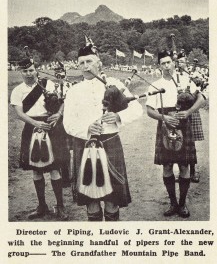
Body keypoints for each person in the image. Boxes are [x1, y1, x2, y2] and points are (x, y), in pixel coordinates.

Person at [63, 43, 143, 221]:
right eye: (81, 63)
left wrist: (118, 117)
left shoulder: (114, 84)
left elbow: (137, 110)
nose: (85, 66)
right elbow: (67, 123)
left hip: (110, 142)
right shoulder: (73, 91)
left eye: (89, 61)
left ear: (99, 64)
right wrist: (87, 129)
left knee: (112, 199)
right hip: (83, 144)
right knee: (90, 199)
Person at [146, 50, 205, 218]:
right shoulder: (155, 85)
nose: (166, 66)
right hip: (165, 126)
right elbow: (149, 110)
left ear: (173, 63)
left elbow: (201, 99)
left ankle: (182, 203)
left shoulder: (185, 81)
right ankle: (172, 203)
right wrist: (163, 117)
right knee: (167, 165)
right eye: (163, 63)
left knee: (185, 165)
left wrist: (188, 113)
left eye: (168, 62)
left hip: (184, 124)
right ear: (159, 66)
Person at [10, 58, 69, 220]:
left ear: (36, 70)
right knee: (36, 169)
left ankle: (60, 206)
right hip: (32, 127)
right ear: (20, 72)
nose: (28, 74)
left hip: (51, 126)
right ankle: (41, 206)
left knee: (55, 167)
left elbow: (64, 99)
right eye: (25, 71)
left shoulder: (48, 84)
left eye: (31, 70)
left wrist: (58, 114)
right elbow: (20, 113)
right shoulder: (17, 90)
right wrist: (36, 123)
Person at [177, 53, 205, 182]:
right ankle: (182, 172)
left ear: (186, 62)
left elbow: (200, 90)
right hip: (178, 112)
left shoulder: (192, 75)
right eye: (178, 61)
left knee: (190, 142)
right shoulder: (174, 76)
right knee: (178, 140)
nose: (180, 63)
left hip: (191, 111)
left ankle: (192, 172)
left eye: (182, 61)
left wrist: (196, 81)